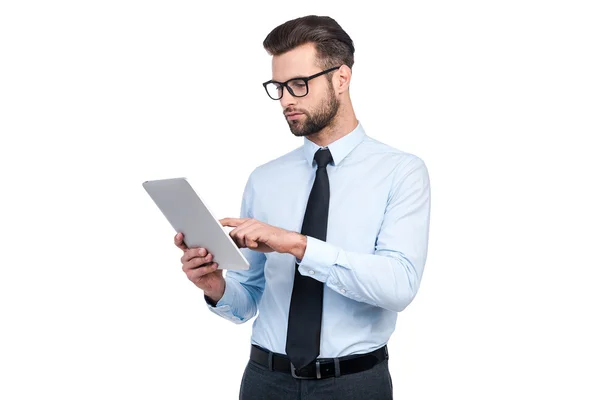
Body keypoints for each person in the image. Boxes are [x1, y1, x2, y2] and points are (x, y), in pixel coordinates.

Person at [174, 15, 431, 400]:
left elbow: (398, 286)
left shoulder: (401, 172)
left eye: (299, 84)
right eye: (278, 87)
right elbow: (248, 300)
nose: (286, 99)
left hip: (354, 384)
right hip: (265, 379)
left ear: (341, 79)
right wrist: (216, 286)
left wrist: (297, 245)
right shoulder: (265, 178)